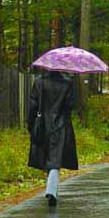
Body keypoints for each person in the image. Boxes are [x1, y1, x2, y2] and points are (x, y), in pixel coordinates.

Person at [27, 70, 78, 207]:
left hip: (42, 124)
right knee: (55, 158)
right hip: (60, 124)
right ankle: (52, 191)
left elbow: (33, 105)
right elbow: (70, 106)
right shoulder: (67, 83)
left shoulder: (39, 82)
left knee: (48, 156)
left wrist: (30, 124)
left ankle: (52, 190)